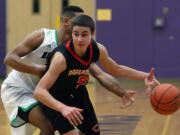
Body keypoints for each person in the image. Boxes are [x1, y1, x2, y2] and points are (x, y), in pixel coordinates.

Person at [1, 6, 137, 135]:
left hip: (44, 92)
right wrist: (38, 70)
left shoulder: (75, 47)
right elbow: (9, 58)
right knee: (47, 125)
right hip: (19, 89)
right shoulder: (42, 36)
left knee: (68, 126)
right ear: (66, 21)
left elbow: (100, 74)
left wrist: (122, 93)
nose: (81, 23)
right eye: (78, 20)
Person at [34, 14, 159, 135]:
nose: (79, 39)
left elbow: (116, 69)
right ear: (71, 33)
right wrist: (63, 108)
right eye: (76, 34)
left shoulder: (97, 49)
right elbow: (39, 91)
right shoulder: (61, 58)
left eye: (84, 34)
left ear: (92, 34)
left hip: (78, 94)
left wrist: (145, 76)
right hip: (55, 98)